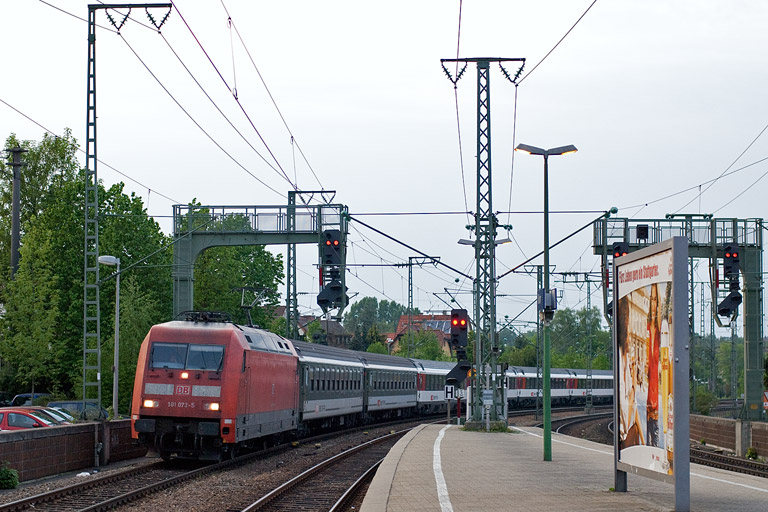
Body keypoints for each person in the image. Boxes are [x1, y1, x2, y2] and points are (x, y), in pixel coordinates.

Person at [646, 283, 661, 447]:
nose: (654, 303)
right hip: (648, 388)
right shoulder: (646, 329)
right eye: (652, 299)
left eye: (656, 299)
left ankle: (654, 443)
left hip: (656, 389)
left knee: (655, 426)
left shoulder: (661, 330)